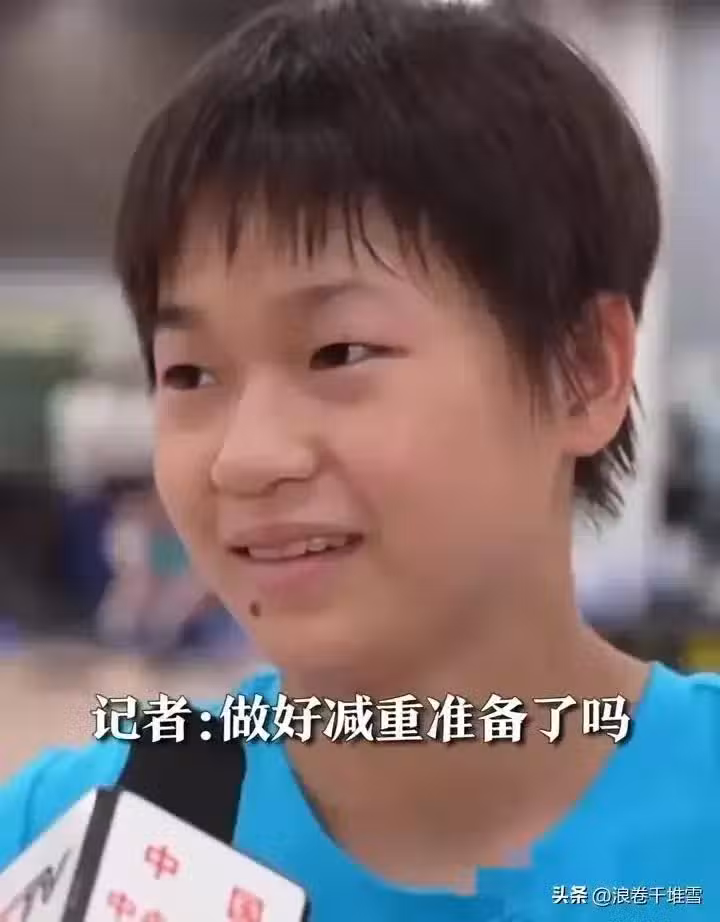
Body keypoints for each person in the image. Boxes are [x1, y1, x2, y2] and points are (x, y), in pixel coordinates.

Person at [1, 0, 717, 917]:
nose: (245, 460)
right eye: (189, 373)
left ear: (584, 371)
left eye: (339, 353)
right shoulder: (66, 842)